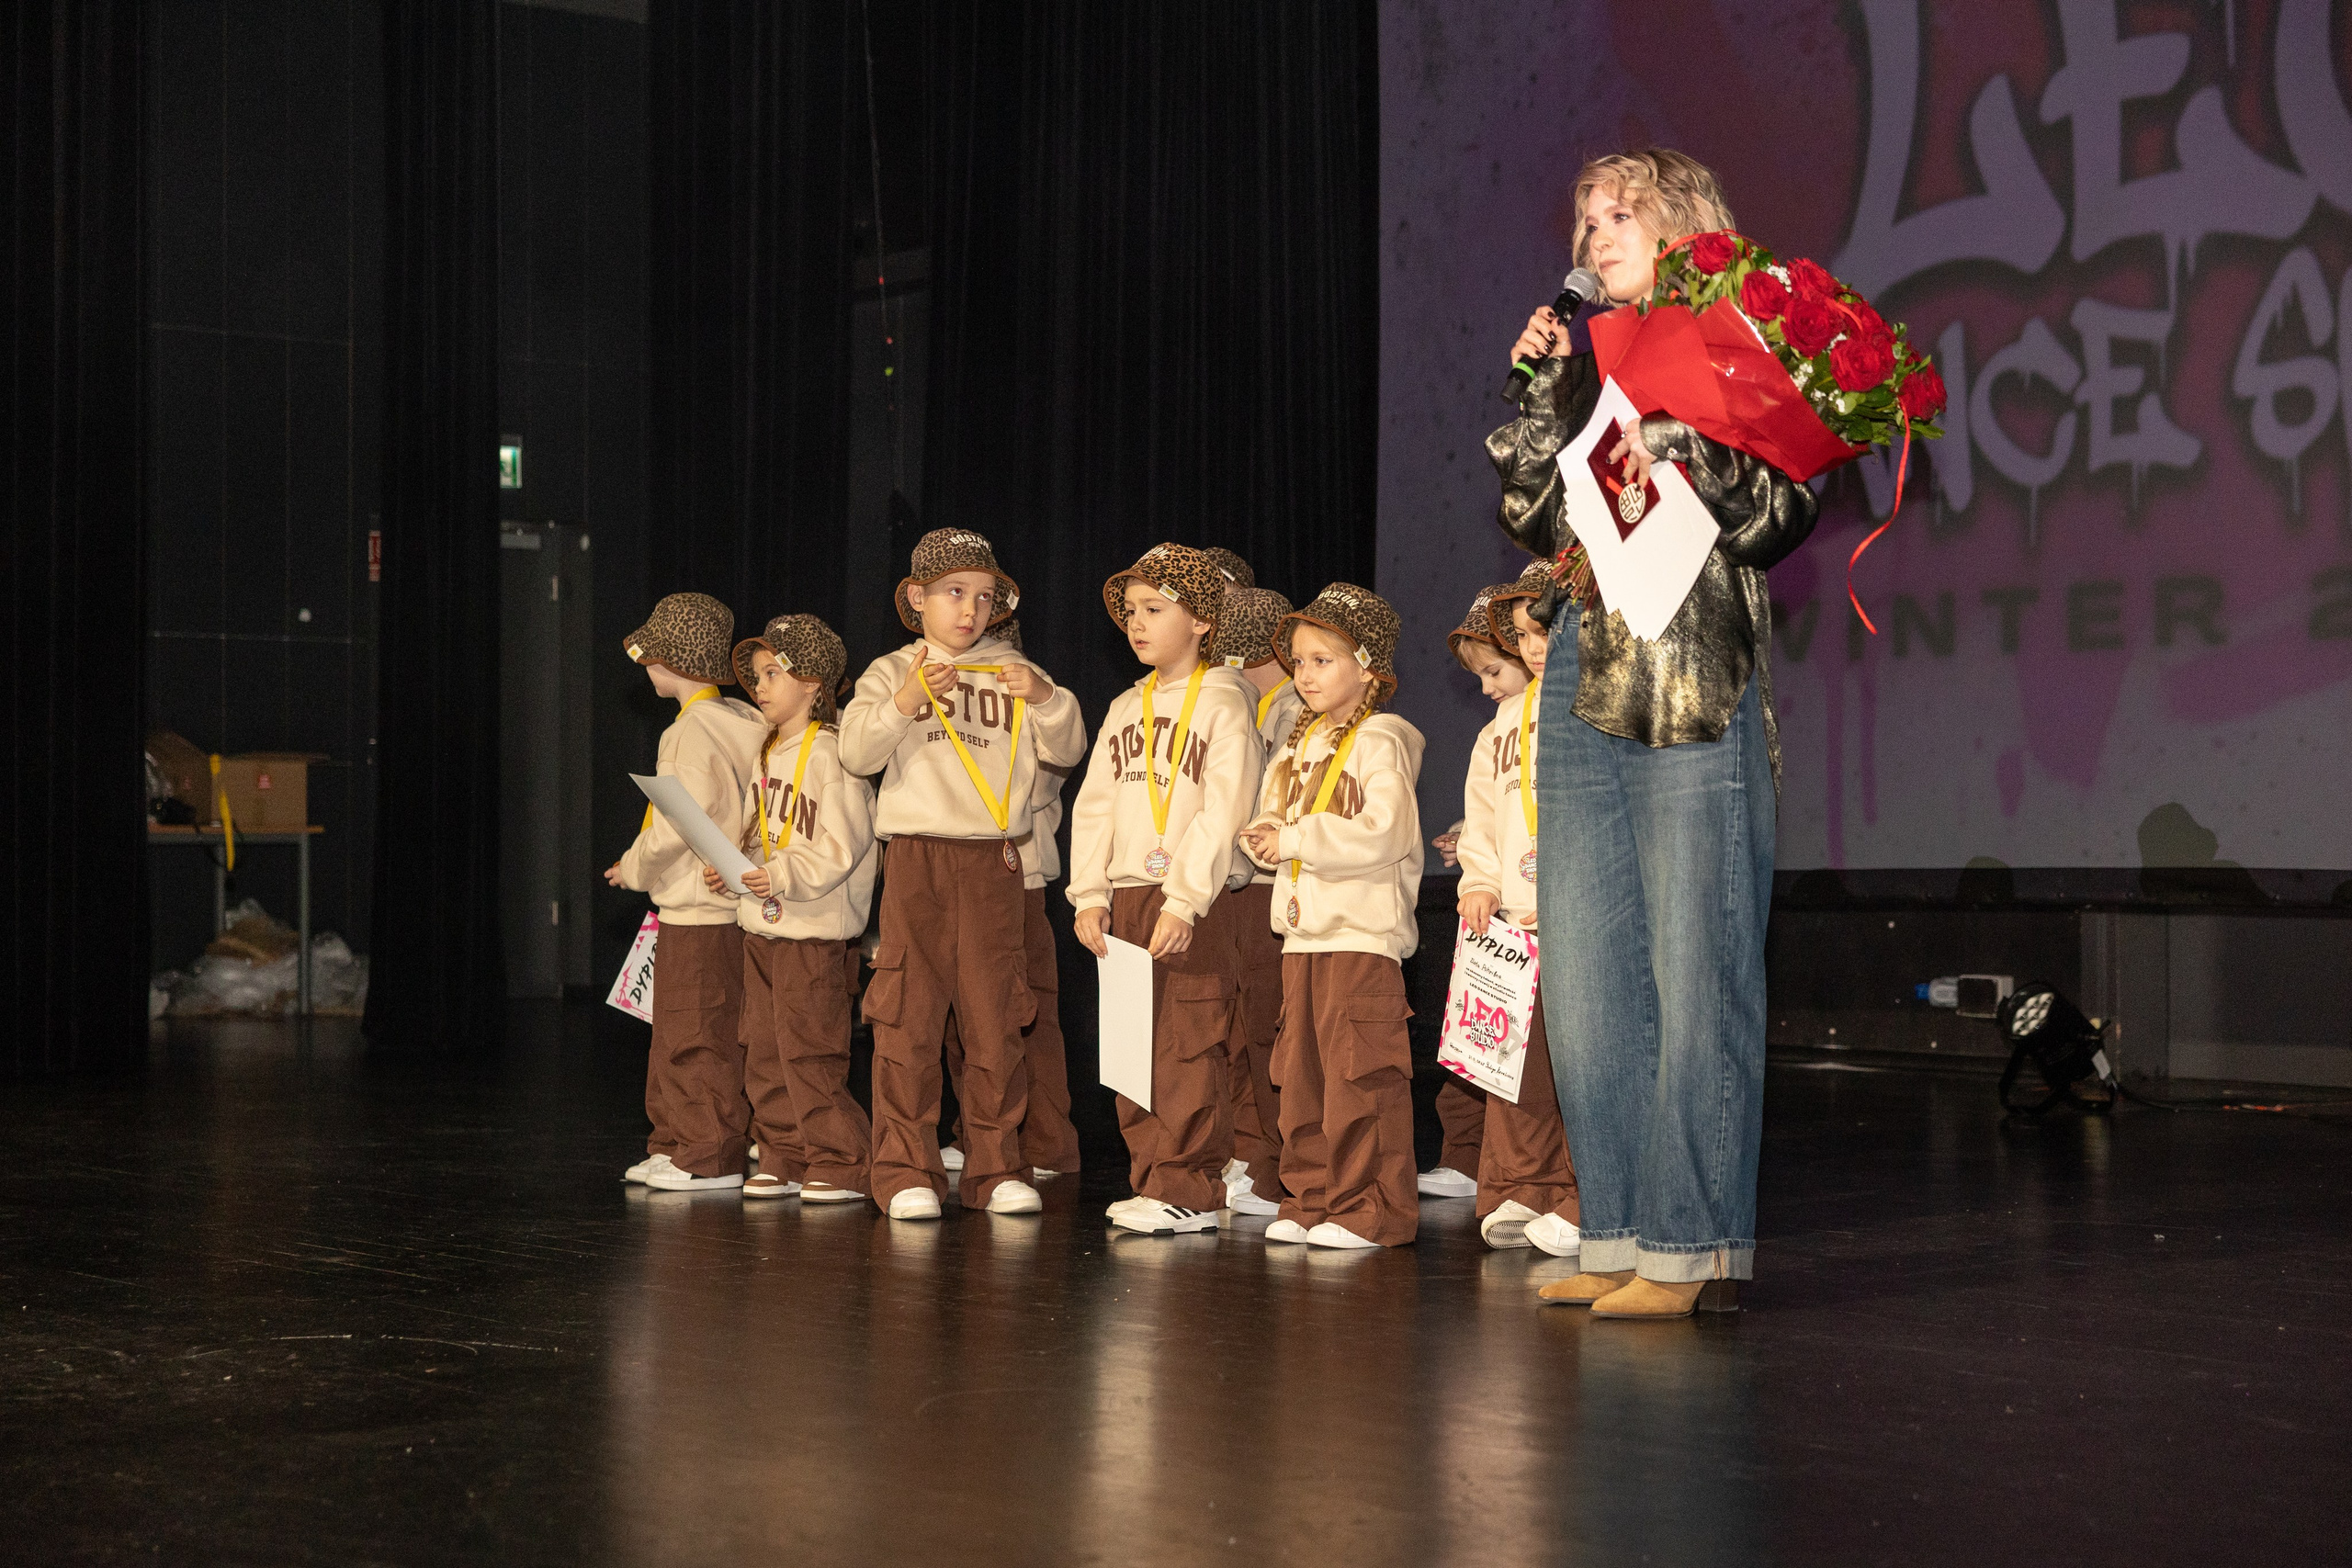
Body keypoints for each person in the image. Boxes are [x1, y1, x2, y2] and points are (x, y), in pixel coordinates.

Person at [1487, 148, 1816, 1316]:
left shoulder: (1734, 339)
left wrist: (1681, 436)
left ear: (1682, 226)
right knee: (1587, 980)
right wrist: (1539, 388)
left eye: (1620, 211)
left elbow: (1781, 513)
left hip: (1692, 667)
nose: (1592, 231)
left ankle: (1688, 1246)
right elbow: (1531, 514)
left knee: (1693, 969)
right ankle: (1615, 1231)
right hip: (1583, 659)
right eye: (1582, 215)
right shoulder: (1583, 361)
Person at [838, 530, 1090, 1220]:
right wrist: (905, 701)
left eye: (983, 598)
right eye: (955, 593)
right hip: (919, 857)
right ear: (917, 598)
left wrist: (1044, 697)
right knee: (907, 1015)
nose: (970, 611)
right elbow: (856, 751)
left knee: (996, 1015)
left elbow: (1068, 746)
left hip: (995, 860)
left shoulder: (1013, 669)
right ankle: (903, 1168)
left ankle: (996, 1165)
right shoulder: (892, 669)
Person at [1069, 544, 1261, 1235]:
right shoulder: (1125, 704)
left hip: (1190, 896)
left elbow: (1226, 804)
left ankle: (1191, 1185)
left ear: (1203, 620)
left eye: (1155, 608)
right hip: (1126, 893)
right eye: (1130, 611)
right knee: (1131, 1045)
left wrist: (1184, 898)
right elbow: (1093, 805)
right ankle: (1152, 1176)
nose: (1137, 623)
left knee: (1186, 1041)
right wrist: (1088, 893)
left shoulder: (1225, 700)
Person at [1238, 585, 1426, 1248]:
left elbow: (1387, 831)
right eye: (1299, 661)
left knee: (1360, 1076)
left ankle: (1368, 1209)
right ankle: (1312, 1196)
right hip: (1301, 934)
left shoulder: (1382, 742)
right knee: (1302, 1077)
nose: (1306, 674)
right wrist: (1264, 831)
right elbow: (1274, 815)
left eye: (1323, 660)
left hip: (1360, 933)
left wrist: (1294, 839)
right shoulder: (1296, 745)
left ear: (1368, 668)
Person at [703, 614, 876, 1204]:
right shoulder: (769, 751)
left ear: (812, 683)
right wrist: (736, 871)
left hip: (814, 929)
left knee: (811, 1049)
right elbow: (762, 836)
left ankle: (842, 1159)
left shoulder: (836, 755)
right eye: (756, 676)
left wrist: (774, 875)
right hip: (764, 927)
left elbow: (841, 848)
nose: (761, 687)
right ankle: (783, 1152)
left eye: (773, 673)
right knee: (763, 1048)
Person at [608, 592, 769, 1192]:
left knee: (694, 1030)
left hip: (699, 909)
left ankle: (707, 1153)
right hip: (733, 905)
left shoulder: (688, 731)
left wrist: (633, 865)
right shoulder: (748, 719)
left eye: (651, 656)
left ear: (671, 662)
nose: (646, 667)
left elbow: (678, 818)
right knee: (698, 1028)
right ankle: (677, 1141)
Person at [1453, 564, 1581, 1255]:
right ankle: (1518, 1189)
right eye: (1524, 635)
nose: (1534, 648)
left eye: (1547, 629)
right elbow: (1483, 817)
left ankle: (1581, 1195)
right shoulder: (1499, 725)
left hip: (1576, 912)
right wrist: (1480, 880)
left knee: (1580, 1064)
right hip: (1513, 921)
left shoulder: (1590, 702)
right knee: (1515, 1066)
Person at [1419, 581, 1532, 1201]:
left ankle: (1550, 1188)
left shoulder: (1565, 709)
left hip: (1555, 909)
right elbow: (1493, 809)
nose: (1486, 687)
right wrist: (1476, 864)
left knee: (1540, 1065)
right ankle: (1480, 1166)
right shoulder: (1493, 733)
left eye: (1493, 670)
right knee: (1484, 1038)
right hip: (1504, 911)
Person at [1206, 583, 1296, 1217]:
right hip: (1241, 889)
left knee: (1267, 1035)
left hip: (1272, 888)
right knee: (1238, 1033)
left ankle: (1275, 1168)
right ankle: (1252, 1152)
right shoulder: (1256, 703)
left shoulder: (1289, 708)